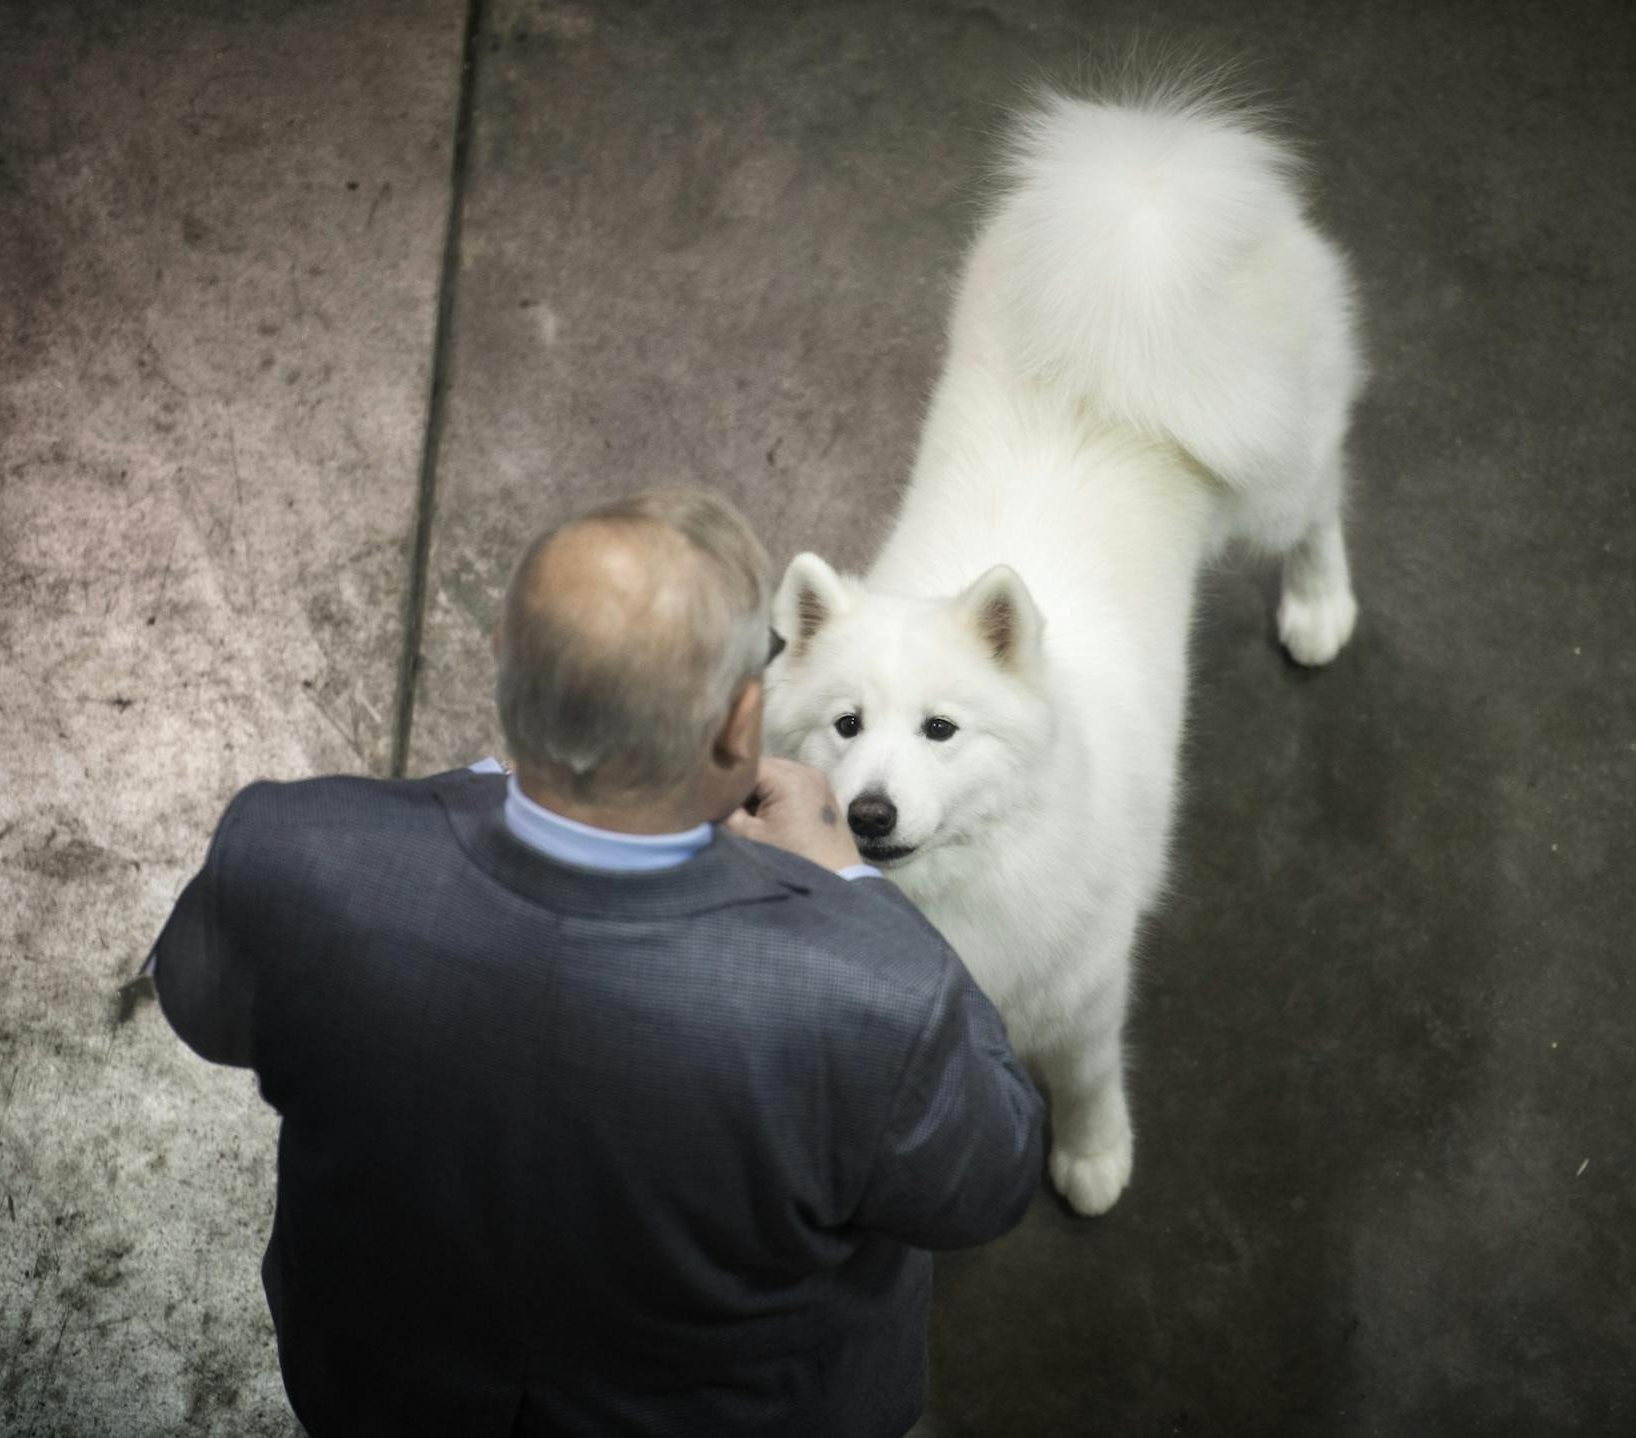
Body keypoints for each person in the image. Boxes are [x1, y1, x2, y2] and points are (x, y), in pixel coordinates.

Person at [150, 488, 1043, 1436]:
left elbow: (197, 1008)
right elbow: (987, 1179)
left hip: (386, 1395)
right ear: (742, 727)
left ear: (503, 657)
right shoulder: (874, 1001)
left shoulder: (292, 854)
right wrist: (849, 883)